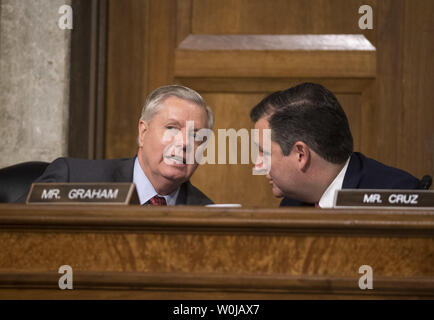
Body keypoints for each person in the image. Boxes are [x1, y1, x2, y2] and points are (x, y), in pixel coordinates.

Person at [18, 85, 214, 205]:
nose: (184, 143)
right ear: (143, 133)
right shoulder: (73, 178)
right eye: (172, 128)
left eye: (196, 135)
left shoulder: (206, 214)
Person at [250, 82, 421, 208]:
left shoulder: (398, 198)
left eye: (264, 153)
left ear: (301, 154)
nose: (258, 165)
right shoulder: (292, 204)